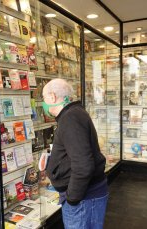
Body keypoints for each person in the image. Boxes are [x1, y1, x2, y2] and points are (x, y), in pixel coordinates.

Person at [42, 78, 108, 229]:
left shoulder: (70, 118)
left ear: (52, 97)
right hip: (86, 199)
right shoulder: (74, 114)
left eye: (44, 97)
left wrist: (72, 198)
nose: (44, 102)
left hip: (83, 201)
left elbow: (84, 165)